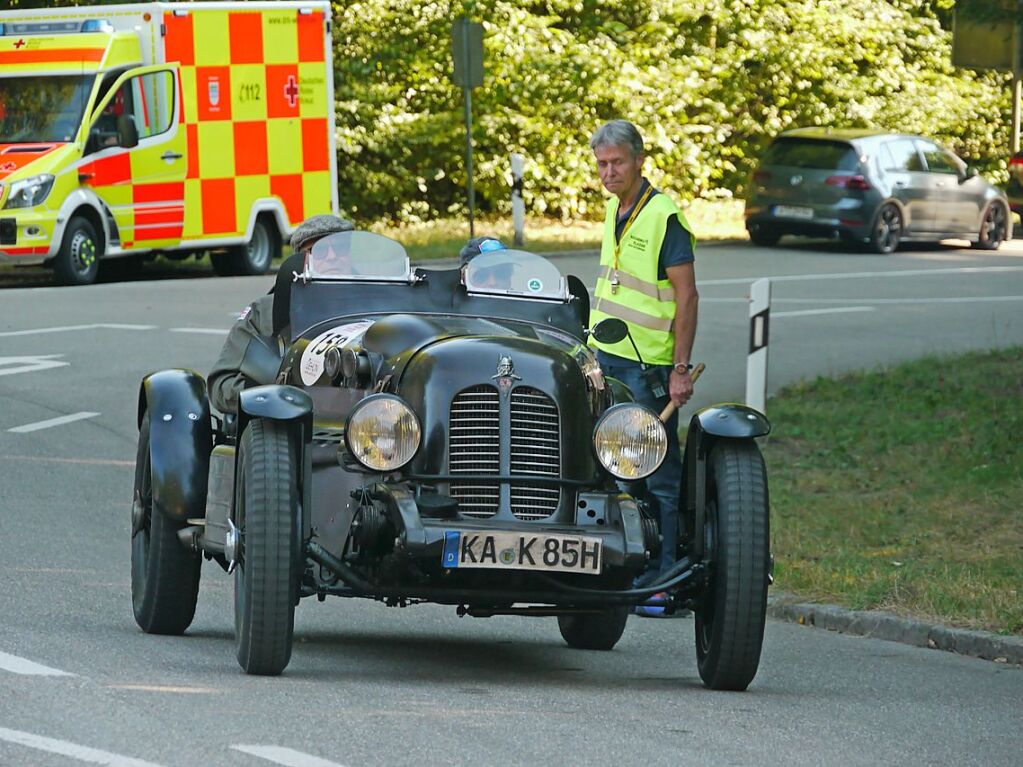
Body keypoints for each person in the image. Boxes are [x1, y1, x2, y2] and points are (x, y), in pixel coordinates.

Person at [586, 119, 699, 613]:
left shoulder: (663, 217)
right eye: (602, 164)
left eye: (617, 163)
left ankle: (664, 576)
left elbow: (687, 295)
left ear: (638, 162)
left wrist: (679, 368)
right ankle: (620, 566)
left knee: (657, 473)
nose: (609, 173)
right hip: (608, 359)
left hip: (648, 366)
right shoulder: (614, 207)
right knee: (611, 468)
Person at [207, 214, 354, 413]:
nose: (331, 256)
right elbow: (221, 384)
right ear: (299, 260)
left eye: (339, 248)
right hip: (282, 427)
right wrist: (275, 395)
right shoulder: (264, 312)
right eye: (316, 251)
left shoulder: (380, 304)